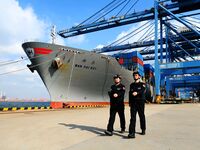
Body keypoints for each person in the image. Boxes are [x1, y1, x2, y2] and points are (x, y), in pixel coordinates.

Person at [128, 71, 146, 138]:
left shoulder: (142, 84)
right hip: (133, 103)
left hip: (140, 102)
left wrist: (137, 93)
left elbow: (142, 90)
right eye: (134, 75)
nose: (135, 76)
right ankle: (132, 132)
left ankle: (143, 129)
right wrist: (129, 102)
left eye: (136, 75)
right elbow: (130, 94)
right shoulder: (131, 85)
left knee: (141, 116)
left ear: (139, 76)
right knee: (132, 118)